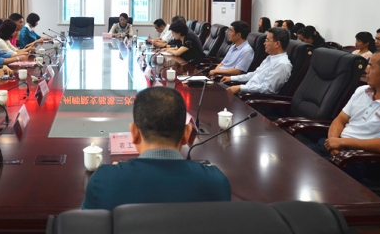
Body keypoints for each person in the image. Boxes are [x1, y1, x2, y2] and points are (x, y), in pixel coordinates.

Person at [81, 87, 231, 210]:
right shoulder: (216, 182)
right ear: (186, 134)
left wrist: (115, 172)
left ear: (134, 133)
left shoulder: (104, 181)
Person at [307, 50, 380, 180]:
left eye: (371, 66)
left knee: (307, 175)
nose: (366, 70)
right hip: (333, 146)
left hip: (357, 159)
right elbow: (340, 120)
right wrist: (333, 144)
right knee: (293, 158)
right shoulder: (361, 91)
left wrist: (341, 142)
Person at [222, 27, 291, 95]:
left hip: (254, 98)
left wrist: (240, 88)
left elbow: (267, 89)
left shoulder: (282, 64)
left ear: (277, 44)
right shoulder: (270, 57)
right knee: (219, 88)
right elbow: (254, 74)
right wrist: (232, 78)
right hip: (246, 91)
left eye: (267, 40)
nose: (264, 43)